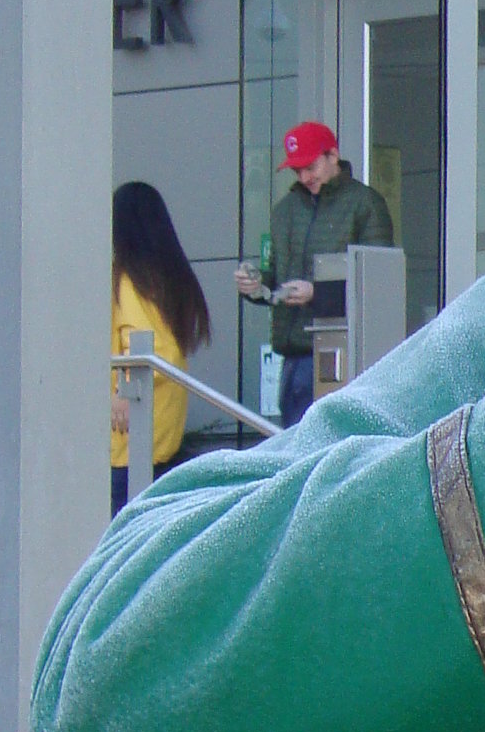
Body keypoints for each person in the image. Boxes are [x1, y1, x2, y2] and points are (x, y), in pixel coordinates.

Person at [234, 120, 395, 427]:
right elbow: (274, 275)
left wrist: (316, 294)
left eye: (310, 167)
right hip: (297, 356)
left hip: (349, 356)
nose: (305, 177)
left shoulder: (365, 204)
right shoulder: (285, 210)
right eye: (298, 171)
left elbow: (379, 284)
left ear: (333, 155)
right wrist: (256, 285)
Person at [109, 180, 212, 514]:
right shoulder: (166, 277)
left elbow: (145, 347)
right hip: (162, 432)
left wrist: (122, 394)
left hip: (131, 439)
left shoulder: (129, 281)